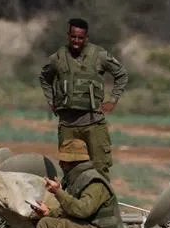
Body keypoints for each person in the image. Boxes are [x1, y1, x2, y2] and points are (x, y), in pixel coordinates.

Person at [39, 17, 128, 177]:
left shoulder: (99, 55)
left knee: (100, 168)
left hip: (93, 122)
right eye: (73, 37)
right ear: (68, 35)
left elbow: (121, 74)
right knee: (69, 171)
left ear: (86, 38)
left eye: (80, 38)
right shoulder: (58, 58)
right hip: (67, 124)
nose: (76, 41)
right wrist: (52, 101)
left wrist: (113, 100)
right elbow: (44, 78)